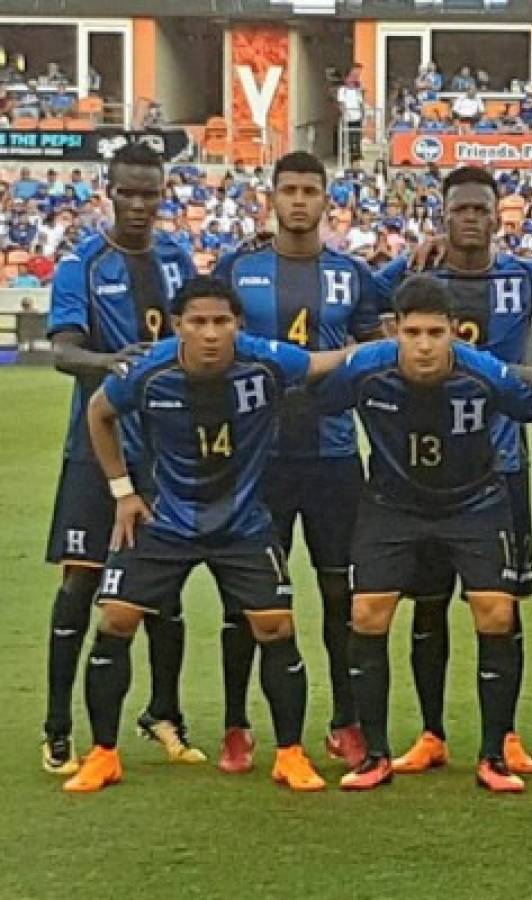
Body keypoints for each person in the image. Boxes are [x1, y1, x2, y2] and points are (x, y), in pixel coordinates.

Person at [65, 277, 348, 794]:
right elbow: (98, 413)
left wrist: (387, 347)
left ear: (238, 324)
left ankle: (290, 754)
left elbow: (323, 363)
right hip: (166, 519)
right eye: (198, 322)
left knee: (276, 627)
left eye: (221, 321)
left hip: (243, 522)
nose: (211, 333)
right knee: (116, 620)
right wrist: (123, 491)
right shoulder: (148, 371)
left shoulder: (264, 361)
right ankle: (103, 755)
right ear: (178, 326)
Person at [372, 166, 532, 778]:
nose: (470, 218)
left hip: (502, 463)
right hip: (424, 469)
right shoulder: (417, 277)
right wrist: (404, 261)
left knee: (503, 606)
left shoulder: (522, 276)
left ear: (498, 216)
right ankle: (431, 732)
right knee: (429, 602)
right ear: (442, 215)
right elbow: (361, 296)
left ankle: (506, 735)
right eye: (459, 208)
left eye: (480, 209)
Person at [319, 276, 532, 793]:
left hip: (475, 503)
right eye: (413, 332)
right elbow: (310, 399)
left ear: (454, 332)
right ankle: (375, 756)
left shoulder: (484, 373)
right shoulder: (365, 370)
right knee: (366, 614)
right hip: (392, 505)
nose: (424, 345)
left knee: (496, 613)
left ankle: (494, 756)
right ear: (394, 330)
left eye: (435, 333)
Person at [211, 151, 386, 775]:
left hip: (333, 455)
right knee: (248, 597)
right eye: (289, 190)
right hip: (257, 458)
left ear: (326, 201)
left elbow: (373, 351)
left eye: (311, 191)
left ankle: (347, 721)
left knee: (342, 592)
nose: (299, 201)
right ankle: (237, 725)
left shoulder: (352, 274)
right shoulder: (239, 269)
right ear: (272, 197)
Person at [41, 143, 198, 776]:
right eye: (126, 193)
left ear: (163, 194)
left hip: (164, 451)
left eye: (149, 193)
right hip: (96, 448)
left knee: (164, 589)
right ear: (108, 193)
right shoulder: (82, 263)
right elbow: (62, 351)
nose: (138, 204)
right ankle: (57, 727)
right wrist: (111, 363)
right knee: (80, 584)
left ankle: (164, 712)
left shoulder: (176, 259)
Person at [337, 63, 366, 164]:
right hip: (347, 118)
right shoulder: (342, 90)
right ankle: (349, 158)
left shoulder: (357, 90)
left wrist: (363, 115)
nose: (353, 79)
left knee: (357, 138)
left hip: (357, 117)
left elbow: (361, 103)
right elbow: (341, 104)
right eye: (351, 76)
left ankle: (357, 157)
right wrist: (344, 113)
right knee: (348, 139)